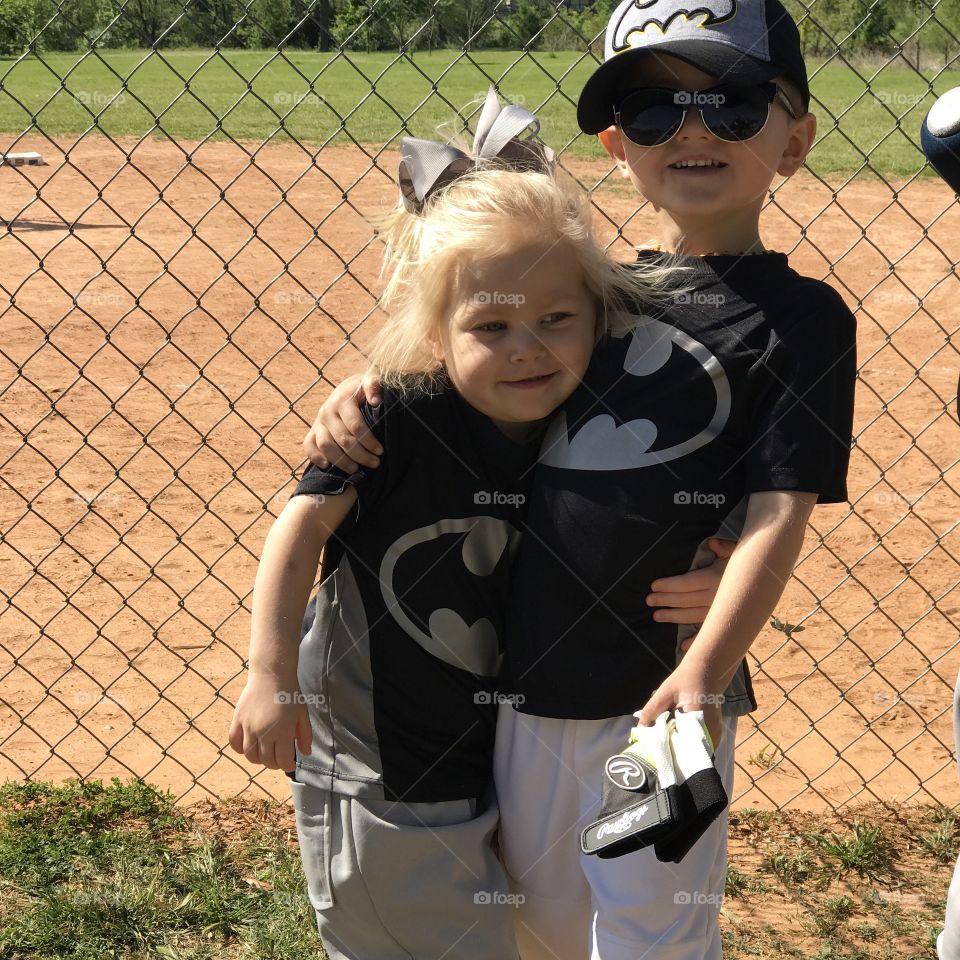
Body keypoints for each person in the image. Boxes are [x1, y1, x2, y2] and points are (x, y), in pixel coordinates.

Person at [304, 2, 859, 958]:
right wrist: (366, 392)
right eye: (653, 112)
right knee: (540, 921)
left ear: (796, 139)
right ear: (615, 145)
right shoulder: (590, 292)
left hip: (667, 688)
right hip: (524, 684)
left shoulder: (803, 319)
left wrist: (705, 672)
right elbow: (466, 341)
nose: (691, 130)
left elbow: (781, 506)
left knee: (657, 927)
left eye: (731, 107)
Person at [227, 89, 687, 960]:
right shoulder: (394, 417)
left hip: (491, 752)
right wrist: (269, 674)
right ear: (434, 333)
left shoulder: (596, 406)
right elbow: (298, 532)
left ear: (600, 316)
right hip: (381, 765)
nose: (528, 348)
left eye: (557, 319)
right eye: (491, 326)